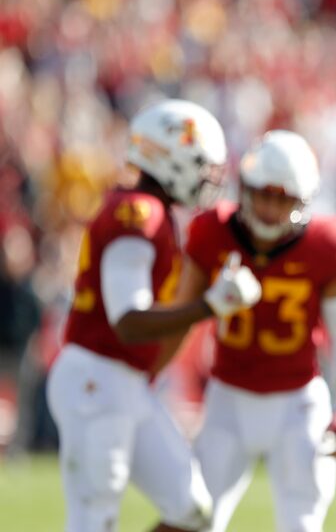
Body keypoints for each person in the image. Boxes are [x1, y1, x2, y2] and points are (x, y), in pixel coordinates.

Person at [47, 99, 263, 532]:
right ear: (170, 158)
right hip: (97, 377)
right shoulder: (138, 214)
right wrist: (208, 306)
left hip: (123, 381)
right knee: (94, 517)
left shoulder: (155, 214)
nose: (209, 177)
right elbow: (128, 321)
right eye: (202, 165)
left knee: (193, 508)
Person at [175, 130, 336, 532]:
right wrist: (209, 303)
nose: (269, 208)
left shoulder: (327, 243)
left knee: (301, 524)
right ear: (245, 188)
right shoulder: (213, 230)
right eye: (263, 193)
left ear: (304, 200)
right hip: (227, 398)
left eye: (283, 198)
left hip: (298, 405)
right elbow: (178, 315)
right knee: (197, 520)